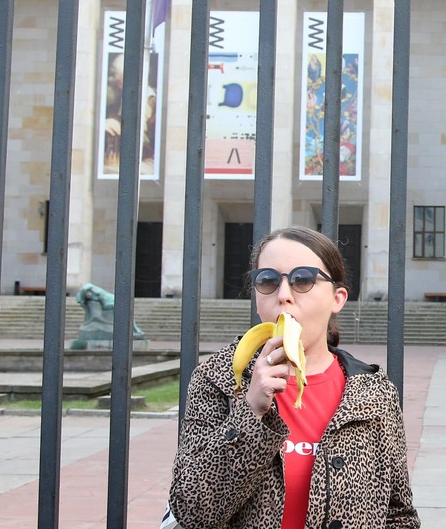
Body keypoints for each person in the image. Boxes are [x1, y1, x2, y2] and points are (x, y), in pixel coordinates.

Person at [167, 226, 420, 528]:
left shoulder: (374, 393)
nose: (283, 295)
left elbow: (398, 515)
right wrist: (250, 413)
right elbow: (192, 512)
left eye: (303, 279)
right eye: (268, 281)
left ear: (337, 298)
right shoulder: (218, 379)